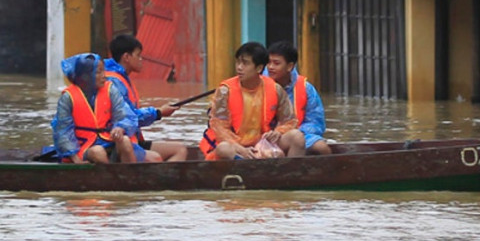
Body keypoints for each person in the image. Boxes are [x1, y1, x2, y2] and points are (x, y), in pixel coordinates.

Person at [198, 41, 304, 160]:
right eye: (238, 62)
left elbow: (290, 121)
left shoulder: (275, 89)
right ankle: (243, 167)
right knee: (223, 148)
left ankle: (290, 175)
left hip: (263, 142)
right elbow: (219, 127)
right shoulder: (225, 91)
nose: (239, 67)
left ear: (259, 68)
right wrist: (240, 149)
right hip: (235, 145)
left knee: (297, 137)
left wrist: (278, 132)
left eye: (245, 63)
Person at [50, 52, 150, 164]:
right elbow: (63, 131)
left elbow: (125, 115)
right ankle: (109, 178)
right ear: (85, 76)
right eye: (98, 72)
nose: (104, 76)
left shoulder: (110, 89)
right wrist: (76, 160)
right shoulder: (68, 97)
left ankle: (130, 177)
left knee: (125, 141)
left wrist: (119, 128)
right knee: (98, 152)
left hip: (108, 139)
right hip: (84, 147)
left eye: (103, 71)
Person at [104, 34, 190, 162]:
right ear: (126, 57)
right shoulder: (115, 82)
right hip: (117, 143)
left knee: (180, 149)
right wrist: (159, 112)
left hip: (134, 139)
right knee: (155, 158)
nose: (141, 59)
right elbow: (130, 117)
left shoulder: (123, 79)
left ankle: (165, 182)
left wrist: (159, 112)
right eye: (138, 55)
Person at [265, 40, 332, 155]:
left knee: (322, 148)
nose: (270, 67)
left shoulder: (306, 88)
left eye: (276, 63)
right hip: (266, 135)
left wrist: (294, 132)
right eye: (269, 62)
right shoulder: (259, 84)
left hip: (298, 133)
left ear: (290, 66)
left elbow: (316, 122)